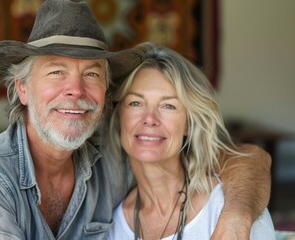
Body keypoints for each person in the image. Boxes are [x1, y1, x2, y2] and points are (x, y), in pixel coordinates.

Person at [0, 0, 271, 239]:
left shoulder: (114, 161)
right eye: (57, 71)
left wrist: (236, 217)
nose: (76, 90)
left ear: (106, 94)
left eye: (92, 73)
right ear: (23, 89)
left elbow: (249, 159)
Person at [105, 42, 275, 240]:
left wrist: (237, 216)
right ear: (119, 118)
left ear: (188, 124)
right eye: (136, 103)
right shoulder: (110, 224)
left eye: (168, 106)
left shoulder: (227, 208)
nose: (149, 118)